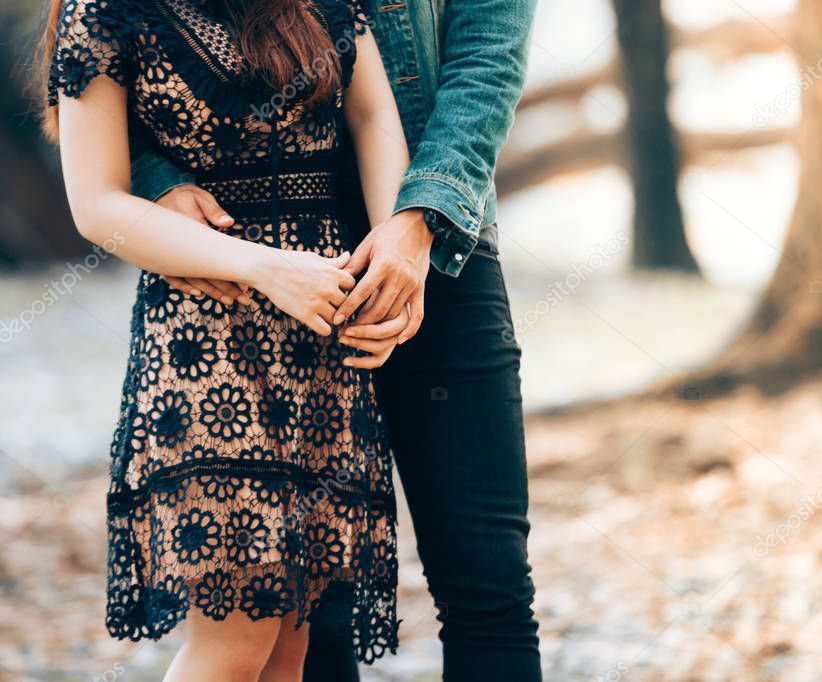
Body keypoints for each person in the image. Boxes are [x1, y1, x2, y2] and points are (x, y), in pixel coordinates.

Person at [132, 1, 543, 680]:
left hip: (435, 246)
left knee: (488, 586)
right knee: (306, 612)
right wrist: (158, 182)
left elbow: (489, 54)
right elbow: (113, 44)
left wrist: (417, 221)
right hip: (259, 258)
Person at [42, 0, 409, 679]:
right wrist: (260, 266)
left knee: (288, 640)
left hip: (322, 339)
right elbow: (96, 204)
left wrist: (393, 250)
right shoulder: (104, 13)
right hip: (208, 343)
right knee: (236, 640)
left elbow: (372, 113)